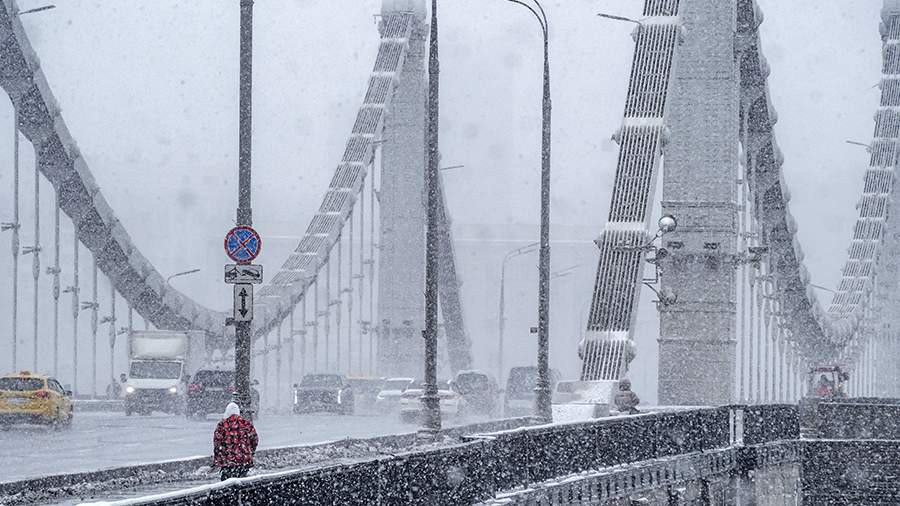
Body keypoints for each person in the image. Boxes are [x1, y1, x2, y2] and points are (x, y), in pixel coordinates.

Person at [213, 402, 258, 481]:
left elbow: (217, 444)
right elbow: (255, 440)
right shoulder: (247, 424)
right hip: (244, 462)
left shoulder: (222, 425)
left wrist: (218, 460)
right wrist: (249, 452)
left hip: (227, 462)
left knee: (226, 485)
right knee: (242, 483)